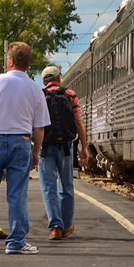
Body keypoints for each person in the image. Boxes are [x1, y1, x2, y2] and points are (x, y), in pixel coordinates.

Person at [0, 42, 50, 255]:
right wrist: (36, 152)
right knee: (17, 194)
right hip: (20, 141)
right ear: (27, 63)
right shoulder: (34, 88)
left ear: (10, 61)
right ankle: (15, 242)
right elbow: (39, 128)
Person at [38, 65, 89, 240]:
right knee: (66, 186)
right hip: (67, 147)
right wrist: (84, 147)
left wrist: (35, 149)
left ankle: (56, 227)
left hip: (46, 147)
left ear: (44, 81)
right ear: (59, 79)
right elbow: (79, 122)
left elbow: (35, 125)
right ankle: (67, 225)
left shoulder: (39, 95)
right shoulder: (70, 94)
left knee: (48, 187)